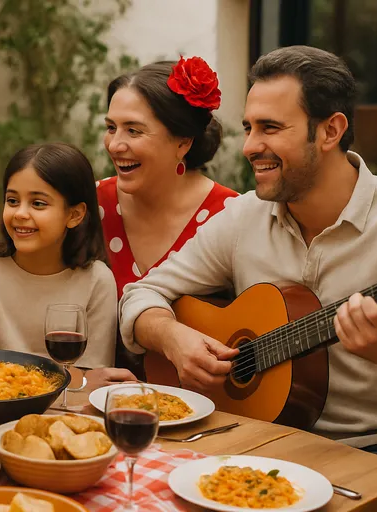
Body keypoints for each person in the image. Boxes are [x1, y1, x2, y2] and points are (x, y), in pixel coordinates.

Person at [119, 45, 377, 458]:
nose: (249, 146)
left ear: (330, 131)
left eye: (269, 127)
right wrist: (173, 338)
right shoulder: (244, 217)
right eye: (248, 128)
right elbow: (141, 294)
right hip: (254, 440)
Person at [98, 57, 238, 378]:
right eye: (111, 128)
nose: (115, 145)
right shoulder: (89, 205)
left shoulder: (231, 216)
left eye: (133, 130)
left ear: (183, 142)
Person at [0, 143, 117, 371]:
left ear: (74, 215)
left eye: (38, 204)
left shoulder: (98, 281)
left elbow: (93, 376)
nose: (20, 213)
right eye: (12, 201)